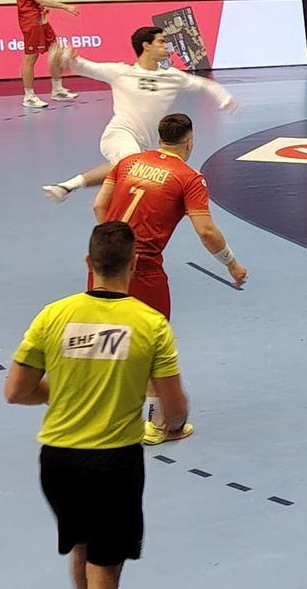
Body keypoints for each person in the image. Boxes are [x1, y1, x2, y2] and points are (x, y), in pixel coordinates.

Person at [4, 221, 188, 589]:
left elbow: (16, 391)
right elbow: (175, 409)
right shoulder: (151, 324)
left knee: (82, 547)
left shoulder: (53, 315)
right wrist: (173, 424)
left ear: (89, 262)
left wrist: (67, 390)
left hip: (58, 460)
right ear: (134, 263)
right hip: (114, 462)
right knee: (106, 565)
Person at [94, 113, 246, 440]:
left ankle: (103, 414)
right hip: (142, 267)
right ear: (189, 142)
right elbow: (206, 231)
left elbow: (99, 206)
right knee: (152, 343)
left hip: (104, 260)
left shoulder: (128, 162)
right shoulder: (188, 177)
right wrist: (231, 264)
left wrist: (112, 242)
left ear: (159, 137)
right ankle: (158, 425)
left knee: (109, 336)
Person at [42, 26, 238, 203]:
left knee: (131, 171)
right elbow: (82, 65)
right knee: (131, 164)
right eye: (161, 42)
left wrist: (225, 99)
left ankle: (68, 189)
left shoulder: (173, 77)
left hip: (144, 143)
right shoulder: (120, 72)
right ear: (146, 45)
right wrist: (65, 57)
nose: (167, 47)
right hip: (119, 134)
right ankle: (68, 188)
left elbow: (205, 84)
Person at [13, 0, 79, 109]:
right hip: (31, 21)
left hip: (41, 19)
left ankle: (57, 90)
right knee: (31, 58)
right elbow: (41, 0)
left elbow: (38, 3)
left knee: (55, 50)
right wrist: (65, 7)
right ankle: (28, 96)